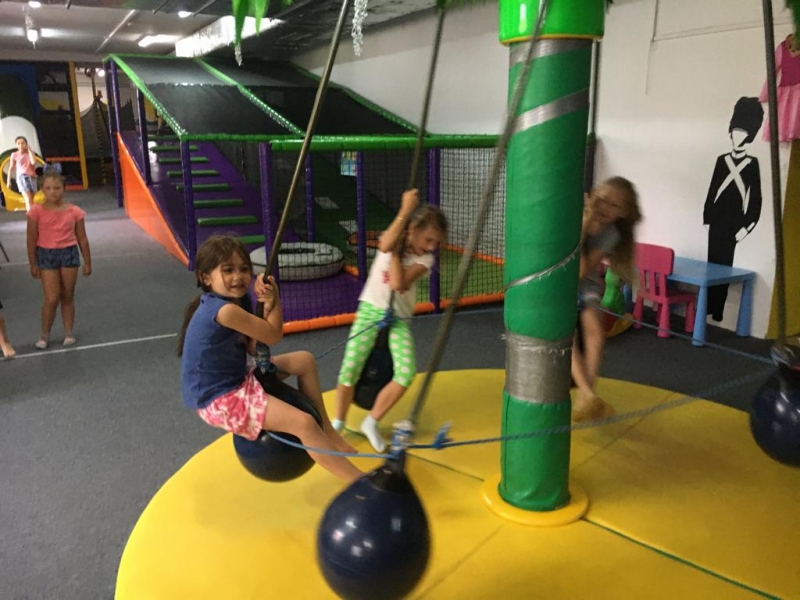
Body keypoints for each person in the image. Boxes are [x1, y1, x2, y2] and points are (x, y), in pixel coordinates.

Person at [178, 235, 362, 483]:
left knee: (304, 361)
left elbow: (254, 346)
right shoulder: (225, 310)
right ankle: (358, 481)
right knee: (304, 423)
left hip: (236, 376)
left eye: (244, 269)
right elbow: (273, 335)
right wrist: (274, 301)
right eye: (228, 270)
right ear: (206, 278)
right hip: (220, 398)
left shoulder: (237, 301)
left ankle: (328, 431)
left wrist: (267, 305)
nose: (238, 276)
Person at [332, 189, 448, 452]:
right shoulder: (395, 235)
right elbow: (385, 244)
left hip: (398, 319)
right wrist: (405, 210)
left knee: (406, 372)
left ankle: (371, 422)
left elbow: (398, 284)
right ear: (413, 230)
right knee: (350, 367)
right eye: (428, 239)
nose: (432, 247)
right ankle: (338, 422)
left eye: (436, 242)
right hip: (370, 310)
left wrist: (396, 253)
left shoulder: (425, 259)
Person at [572, 176, 642, 422]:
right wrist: (584, 222)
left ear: (623, 213)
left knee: (595, 331)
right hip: (560, 284)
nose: (605, 207)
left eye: (614, 205)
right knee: (565, 335)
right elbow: (573, 268)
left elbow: (583, 270)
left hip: (586, 283)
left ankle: (587, 394)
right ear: (593, 196)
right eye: (602, 200)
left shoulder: (610, 233)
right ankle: (586, 392)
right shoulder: (574, 214)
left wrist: (586, 225)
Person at [26, 172, 92, 350]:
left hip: (68, 253)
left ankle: (68, 333)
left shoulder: (74, 211)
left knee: (67, 295)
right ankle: (44, 335)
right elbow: (31, 238)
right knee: (52, 297)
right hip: (46, 254)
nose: (53, 192)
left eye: (57, 188)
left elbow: (82, 238)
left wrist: (87, 261)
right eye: (48, 188)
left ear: (64, 189)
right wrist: (33, 263)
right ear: (42, 190)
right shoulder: (36, 212)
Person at [6, 136, 38, 212]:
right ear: (16, 145)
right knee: (28, 198)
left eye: (23, 143)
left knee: (32, 199)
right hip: (22, 177)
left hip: (32, 176)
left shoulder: (30, 153)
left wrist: (29, 150)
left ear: (26, 144)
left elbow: (33, 162)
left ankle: (32, 214)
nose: (21, 145)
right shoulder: (14, 154)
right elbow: (11, 168)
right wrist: (8, 181)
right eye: (18, 143)